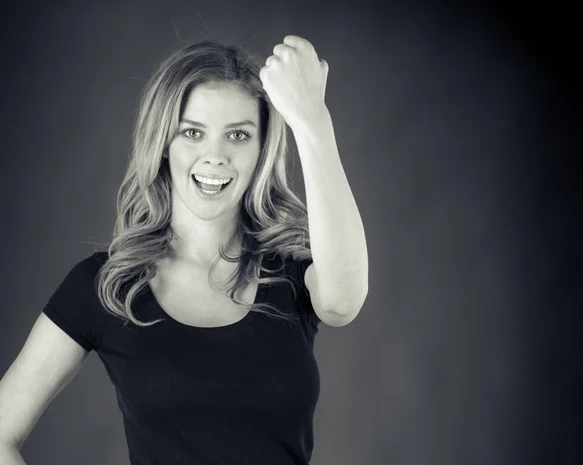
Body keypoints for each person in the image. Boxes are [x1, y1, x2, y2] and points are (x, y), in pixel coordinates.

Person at [0, 35, 368, 464]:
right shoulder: (107, 286)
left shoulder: (290, 269)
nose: (215, 156)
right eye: (192, 132)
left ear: (261, 149)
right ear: (163, 143)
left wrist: (312, 122)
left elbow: (343, 302)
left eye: (238, 135)